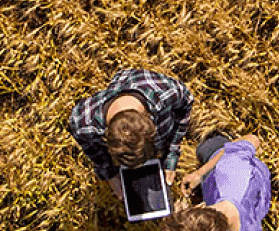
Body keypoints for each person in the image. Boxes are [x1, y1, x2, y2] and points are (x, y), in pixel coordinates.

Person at [66, 68, 194, 200]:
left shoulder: (165, 92)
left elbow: (187, 101)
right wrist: (110, 175)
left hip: (139, 81)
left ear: (149, 116)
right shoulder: (83, 123)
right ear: (105, 136)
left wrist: (172, 153)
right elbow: (92, 149)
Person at [165, 132, 271, 231]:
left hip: (255, 203)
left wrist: (200, 173)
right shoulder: (229, 169)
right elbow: (253, 139)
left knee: (203, 151)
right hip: (254, 182)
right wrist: (200, 173)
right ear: (200, 206)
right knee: (206, 147)